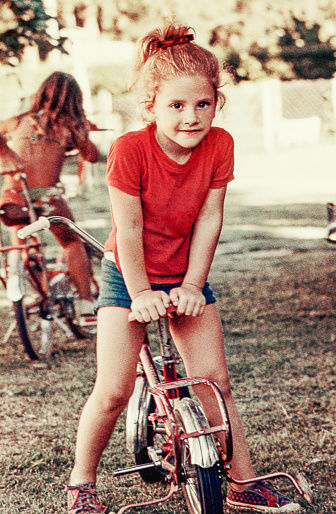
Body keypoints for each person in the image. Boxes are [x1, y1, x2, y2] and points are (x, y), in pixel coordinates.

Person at [67, 20, 301, 513]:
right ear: (150, 105)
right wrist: (141, 293)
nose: (191, 117)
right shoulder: (130, 149)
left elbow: (210, 217)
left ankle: (242, 482)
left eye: (203, 104)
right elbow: (127, 230)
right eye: (176, 105)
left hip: (183, 270)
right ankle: (82, 482)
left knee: (215, 381)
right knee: (112, 388)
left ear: (217, 103)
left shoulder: (220, 144)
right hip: (127, 273)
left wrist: (193, 283)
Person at [0, 72, 100, 319]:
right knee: (71, 242)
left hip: (13, 195)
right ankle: (86, 302)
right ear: (76, 100)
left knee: (21, 242)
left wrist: (5, 152)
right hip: (46, 198)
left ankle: (27, 284)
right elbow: (93, 156)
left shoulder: (19, 120)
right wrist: (82, 134)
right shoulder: (69, 126)